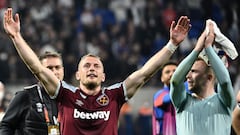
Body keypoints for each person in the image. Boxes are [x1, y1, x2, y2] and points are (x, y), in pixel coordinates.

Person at [3, 8, 191, 135]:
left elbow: (145, 73)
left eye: (96, 66)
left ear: (103, 76)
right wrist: (16, 36)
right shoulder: (65, 94)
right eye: (86, 66)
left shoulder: (115, 95)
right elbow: (37, 68)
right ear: (77, 75)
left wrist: (172, 45)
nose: (91, 68)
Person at [170, 21, 235, 135]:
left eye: (194, 71)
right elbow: (175, 81)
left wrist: (208, 48)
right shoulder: (182, 102)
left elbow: (224, 82)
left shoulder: (224, 102)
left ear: (209, 77)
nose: (187, 76)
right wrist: (197, 50)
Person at [0, 51, 64, 135]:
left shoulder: (70, 99)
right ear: (39, 72)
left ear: (63, 70)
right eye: (49, 68)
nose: (54, 72)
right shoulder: (25, 96)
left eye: (57, 67)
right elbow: (6, 125)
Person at [152, 61, 177, 135]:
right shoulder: (159, 95)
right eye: (167, 72)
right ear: (162, 78)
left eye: (175, 71)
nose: (171, 74)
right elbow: (166, 99)